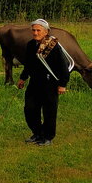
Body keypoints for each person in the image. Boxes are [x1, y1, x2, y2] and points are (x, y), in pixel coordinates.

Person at [16, 18, 73, 146]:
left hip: (50, 83)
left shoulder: (53, 46)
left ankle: (48, 137)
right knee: (30, 109)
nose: (35, 33)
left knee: (49, 112)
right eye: (33, 30)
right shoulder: (31, 45)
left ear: (46, 32)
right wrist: (23, 78)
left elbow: (63, 67)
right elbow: (28, 64)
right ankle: (37, 133)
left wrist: (62, 84)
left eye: (38, 30)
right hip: (35, 83)